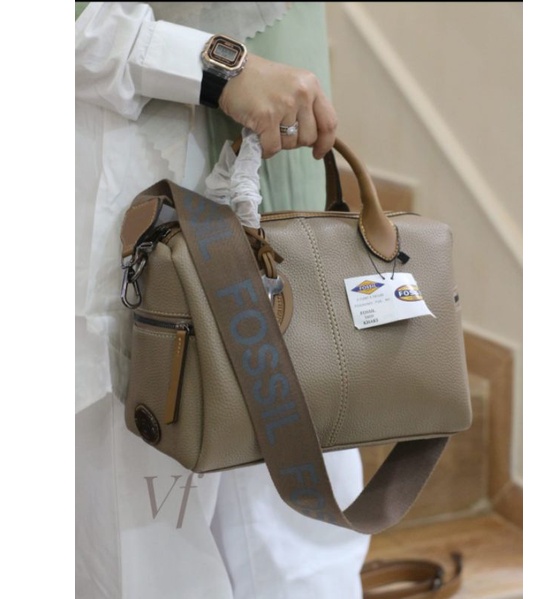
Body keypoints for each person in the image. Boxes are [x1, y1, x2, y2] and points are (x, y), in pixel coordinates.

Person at [75, 3, 371, 598]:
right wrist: (220, 69)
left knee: (302, 536)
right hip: (142, 206)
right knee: (153, 543)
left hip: (280, 204)